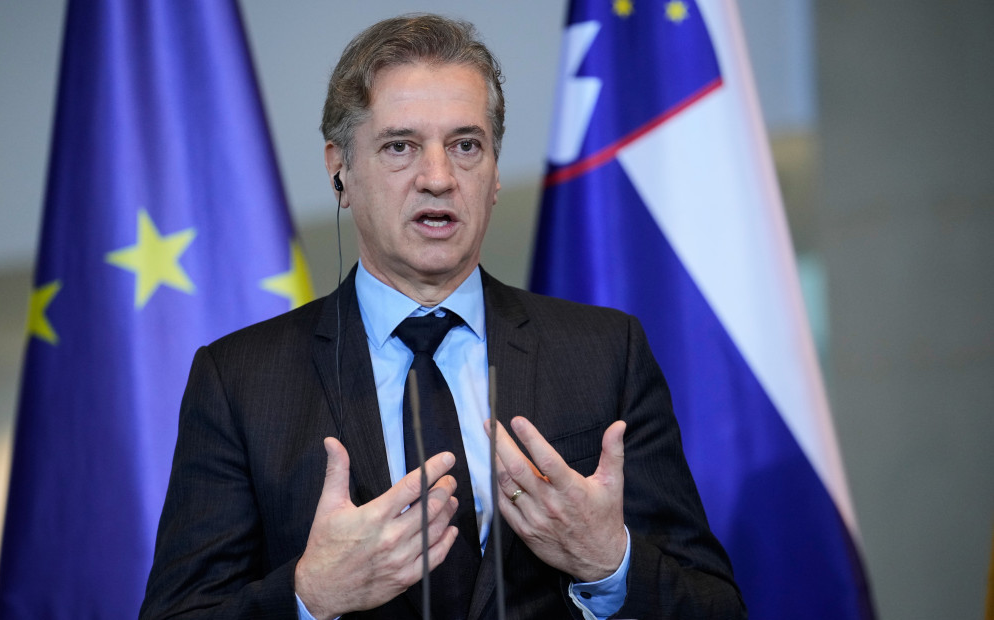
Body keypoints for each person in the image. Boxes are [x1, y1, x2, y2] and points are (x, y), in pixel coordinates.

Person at [139, 14, 745, 620]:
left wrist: (610, 565)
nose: (438, 178)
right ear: (340, 168)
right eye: (399, 146)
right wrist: (309, 596)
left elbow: (717, 607)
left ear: (495, 173)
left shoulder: (606, 352)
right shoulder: (240, 381)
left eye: (465, 145)